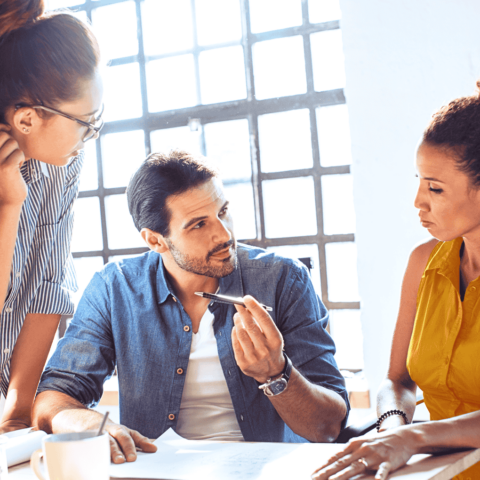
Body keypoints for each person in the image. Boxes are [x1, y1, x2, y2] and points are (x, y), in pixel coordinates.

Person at [33, 150, 349, 463]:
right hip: (155, 472)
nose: (225, 235)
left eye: (223, 211)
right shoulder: (114, 288)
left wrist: (276, 374)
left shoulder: (284, 279)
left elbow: (328, 429)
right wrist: (84, 423)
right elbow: (51, 402)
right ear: (156, 241)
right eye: (198, 225)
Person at [312, 83, 480, 480]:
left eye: (435, 188)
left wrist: (415, 439)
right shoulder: (423, 262)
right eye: (420, 181)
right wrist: (391, 428)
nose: (418, 202)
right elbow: (397, 380)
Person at [0, 1, 103, 434]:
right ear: (27, 118)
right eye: (88, 124)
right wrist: (9, 206)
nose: (90, 138)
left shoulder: (60, 162)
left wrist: (18, 413)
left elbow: (48, 285)